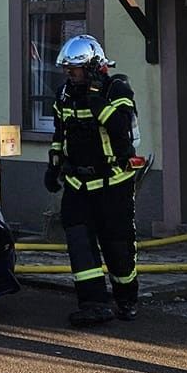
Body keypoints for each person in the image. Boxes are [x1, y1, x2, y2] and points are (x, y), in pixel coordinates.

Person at [43, 35, 142, 326]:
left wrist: (98, 102)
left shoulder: (116, 89)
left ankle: (126, 298)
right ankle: (93, 303)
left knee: (118, 249)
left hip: (113, 184)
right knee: (79, 243)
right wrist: (53, 166)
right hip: (78, 184)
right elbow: (59, 135)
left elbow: (123, 130)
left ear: (92, 67)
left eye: (74, 69)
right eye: (67, 69)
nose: (68, 74)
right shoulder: (64, 95)